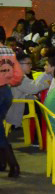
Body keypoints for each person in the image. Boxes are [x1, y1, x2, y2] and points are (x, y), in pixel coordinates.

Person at [5, 52, 53, 130]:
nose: (31, 66)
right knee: (42, 109)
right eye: (28, 64)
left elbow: (31, 87)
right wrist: (48, 83)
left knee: (38, 104)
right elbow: (34, 89)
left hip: (12, 104)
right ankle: (37, 137)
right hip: (15, 106)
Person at [0, 44, 23, 177]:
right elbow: (18, 74)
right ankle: (4, 163)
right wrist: (9, 81)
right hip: (6, 92)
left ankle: (13, 165)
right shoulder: (8, 50)